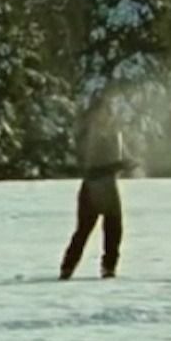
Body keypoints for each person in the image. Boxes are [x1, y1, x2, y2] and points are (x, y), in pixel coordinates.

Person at [59, 94, 135, 280]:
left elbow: (119, 157)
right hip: (93, 188)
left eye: (108, 112)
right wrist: (119, 165)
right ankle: (68, 268)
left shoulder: (113, 133)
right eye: (103, 112)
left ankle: (108, 267)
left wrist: (127, 163)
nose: (106, 116)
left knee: (113, 230)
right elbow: (91, 165)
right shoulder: (89, 133)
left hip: (109, 187)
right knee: (84, 230)